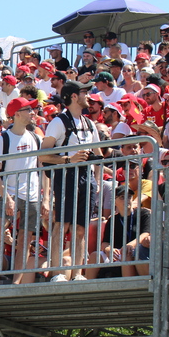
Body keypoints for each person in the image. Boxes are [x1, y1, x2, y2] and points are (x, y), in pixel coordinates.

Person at [40, 81, 100, 280]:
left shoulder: (89, 124)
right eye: (84, 92)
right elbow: (43, 155)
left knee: (81, 228)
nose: (88, 96)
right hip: (66, 175)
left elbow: (99, 154)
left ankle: (77, 274)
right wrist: (68, 159)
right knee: (62, 225)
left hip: (86, 176)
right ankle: (57, 273)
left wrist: (97, 180)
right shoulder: (58, 122)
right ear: (74, 96)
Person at [0, 98, 42, 284]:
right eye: (28, 109)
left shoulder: (36, 137)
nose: (33, 112)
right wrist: (7, 198)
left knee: (25, 239)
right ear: (17, 114)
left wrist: (45, 196)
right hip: (10, 192)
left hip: (32, 195)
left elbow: (42, 169)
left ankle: (16, 284)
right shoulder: (3, 139)